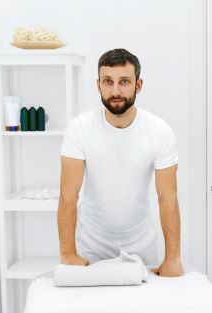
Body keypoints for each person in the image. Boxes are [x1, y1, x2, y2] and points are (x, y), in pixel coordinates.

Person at [57, 48, 184, 277]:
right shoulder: (80, 128)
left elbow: (167, 198)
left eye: (124, 81)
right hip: (91, 250)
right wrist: (68, 254)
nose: (115, 90)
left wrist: (173, 259)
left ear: (139, 85)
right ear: (98, 86)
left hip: (142, 250)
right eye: (108, 82)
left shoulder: (159, 130)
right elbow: (68, 195)